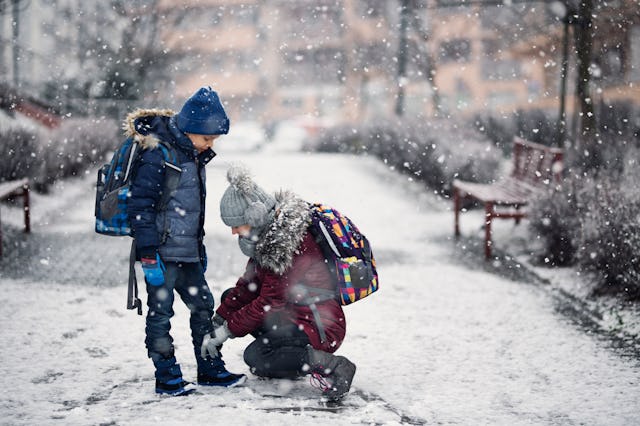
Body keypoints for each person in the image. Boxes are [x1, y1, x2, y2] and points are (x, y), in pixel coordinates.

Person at [126, 87, 246, 396]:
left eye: (214, 140)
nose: (210, 145)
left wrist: (198, 247)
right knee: (160, 315)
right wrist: (149, 254)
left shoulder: (193, 155)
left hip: (188, 253)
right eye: (207, 138)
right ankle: (166, 377)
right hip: (162, 254)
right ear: (190, 128)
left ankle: (210, 369)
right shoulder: (158, 154)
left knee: (204, 308)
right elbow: (141, 207)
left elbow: (192, 210)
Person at [200, 165, 356, 401]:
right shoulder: (267, 236)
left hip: (319, 323)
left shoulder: (284, 245)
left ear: (255, 215)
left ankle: (333, 365)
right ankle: (291, 358)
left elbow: (269, 302)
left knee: (258, 357)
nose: (233, 232)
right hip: (295, 314)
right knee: (231, 297)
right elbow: (247, 288)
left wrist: (227, 331)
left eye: (237, 224)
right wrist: (219, 319)